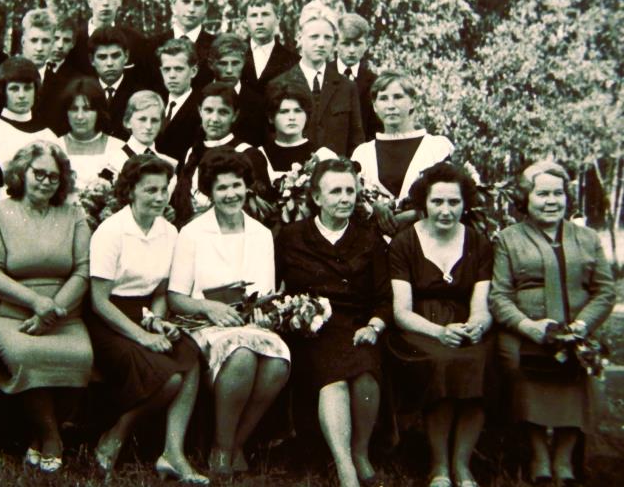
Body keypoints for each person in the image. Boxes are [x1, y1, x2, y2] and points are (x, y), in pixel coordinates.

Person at [489, 161, 616, 486]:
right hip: (526, 332)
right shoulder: (507, 239)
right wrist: (528, 326)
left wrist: (582, 325)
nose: (551, 201)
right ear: (526, 198)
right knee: (516, 363)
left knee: (581, 366)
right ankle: (538, 454)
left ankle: (564, 455)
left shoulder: (587, 238)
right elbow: (499, 296)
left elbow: (605, 291)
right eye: (542, 194)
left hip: (578, 332)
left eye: (557, 194)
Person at [168, 149, 290, 476]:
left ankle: (236, 443)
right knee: (242, 356)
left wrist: (264, 314)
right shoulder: (192, 232)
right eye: (222, 188)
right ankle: (222, 448)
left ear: (247, 186)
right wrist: (209, 307)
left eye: (236, 185)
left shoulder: (261, 234)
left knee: (278, 362)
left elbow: (264, 294)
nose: (231, 194)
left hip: (248, 324)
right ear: (210, 192)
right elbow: (176, 297)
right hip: (203, 323)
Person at [87, 155, 207, 483]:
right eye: (150, 190)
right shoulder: (111, 231)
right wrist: (142, 335)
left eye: (163, 189)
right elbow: (98, 301)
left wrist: (156, 320)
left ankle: (173, 454)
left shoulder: (168, 232)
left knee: (190, 356)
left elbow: (160, 291)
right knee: (169, 379)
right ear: (130, 191)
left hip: (145, 315)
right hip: (108, 319)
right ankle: (115, 434)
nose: (159, 197)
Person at [0, 141, 94, 473]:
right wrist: (36, 303)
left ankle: (38, 435)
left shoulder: (74, 215)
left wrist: (53, 310)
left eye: (53, 177)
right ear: (21, 173)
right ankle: (52, 437)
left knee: (81, 357)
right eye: (38, 173)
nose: (46, 181)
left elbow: (83, 270)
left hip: (63, 311)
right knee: (27, 355)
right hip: (8, 310)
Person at [275, 158, 391, 487]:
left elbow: (384, 298)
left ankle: (361, 452)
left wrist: (374, 326)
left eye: (350, 191)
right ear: (316, 197)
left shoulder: (368, 238)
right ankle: (345, 466)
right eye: (336, 191)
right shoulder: (292, 237)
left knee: (366, 373)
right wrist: (291, 316)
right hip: (312, 332)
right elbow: (275, 289)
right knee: (334, 378)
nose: (344, 198)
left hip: (358, 326)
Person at [386, 163, 494, 487]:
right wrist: (439, 332)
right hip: (420, 329)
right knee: (442, 362)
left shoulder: (478, 242)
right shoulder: (404, 243)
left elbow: (482, 305)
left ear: (465, 203)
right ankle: (440, 466)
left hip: (465, 326)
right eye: (437, 202)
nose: (446, 210)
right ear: (424, 203)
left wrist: (477, 326)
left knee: (478, 361)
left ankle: (462, 465)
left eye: (454, 202)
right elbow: (401, 311)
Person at [351, 70, 453, 235]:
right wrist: (374, 208)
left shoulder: (436, 147)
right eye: (383, 98)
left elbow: (449, 196)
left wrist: (414, 215)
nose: (391, 105)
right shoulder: (362, 154)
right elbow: (355, 201)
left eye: (398, 97)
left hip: (426, 237)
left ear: (412, 102)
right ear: (375, 106)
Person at [270, 2, 364, 156]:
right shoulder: (279, 84)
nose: (321, 44)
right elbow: (273, 139)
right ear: (299, 38)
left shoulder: (347, 87)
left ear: (334, 42)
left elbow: (356, 142)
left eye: (327, 38)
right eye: (314, 37)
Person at [170, 82, 269, 226]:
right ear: (200, 111)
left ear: (234, 115)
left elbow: (260, 210)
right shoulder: (191, 153)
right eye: (208, 110)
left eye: (223, 112)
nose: (214, 119)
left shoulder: (248, 153)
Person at [0, 57, 58, 193]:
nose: (21, 95)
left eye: (27, 88)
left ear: (36, 90)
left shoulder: (49, 135)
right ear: (3, 92)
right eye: (14, 89)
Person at [67, 0, 148, 78]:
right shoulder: (73, 41)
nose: (105, 3)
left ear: (119, 0)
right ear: (89, 1)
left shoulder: (135, 41)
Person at [55, 77, 125, 192]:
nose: (80, 116)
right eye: (74, 109)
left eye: (87, 109)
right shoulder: (55, 148)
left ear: (99, 111)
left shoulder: (118, 148)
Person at [89, 26, 157, 140]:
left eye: (115, 56)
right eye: (102, 57)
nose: (109, 63)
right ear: (92, 60)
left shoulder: (142, 95)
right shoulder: (83, 94)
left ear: (126, 56)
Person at [150, 0, 215, 91]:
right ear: (173, 4)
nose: (191, 9)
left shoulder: (215, 46)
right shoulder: (152, 45)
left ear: (206, 7)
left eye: (198, 3)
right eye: (186, 1)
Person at [207, 33, 266, 146]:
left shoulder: (257, 102)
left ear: (243, 62)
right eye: (223, 64)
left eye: (235, 63)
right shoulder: (199, 97)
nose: (229, 70)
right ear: (211, 64)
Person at [257, 80, 318, 185]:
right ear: (271, 117)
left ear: (307, 116)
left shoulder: (321, 154)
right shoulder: (259, 155)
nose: (292, 117)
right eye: (284, 112)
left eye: (298, 111)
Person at [153, 38, 204, 163]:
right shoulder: (155, 103)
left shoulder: (201, 108)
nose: (172, 75)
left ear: (193, 71)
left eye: (179, 69)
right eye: (167, 69)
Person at [240, 0, 299, 94]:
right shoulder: (235, 55)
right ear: (245, 20)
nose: (259, 21)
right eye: (253, 15)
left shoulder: (293, 61)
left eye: (265, 14)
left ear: (278, 18)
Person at [107, 90, 178, 174]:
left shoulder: (170, 164)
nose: (149, 126)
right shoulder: (113, 161)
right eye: (142, 119)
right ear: (127, 122)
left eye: (155, 120)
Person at [337, 13, 381, 138]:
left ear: (366, 45)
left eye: (357, 44)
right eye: (346, 43)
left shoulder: (374, 82)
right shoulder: (322, 75)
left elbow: (377, 127)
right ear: (336, 44)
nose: (351, 50)